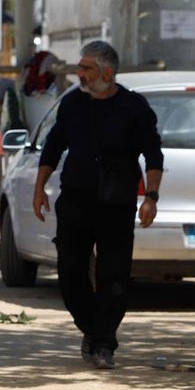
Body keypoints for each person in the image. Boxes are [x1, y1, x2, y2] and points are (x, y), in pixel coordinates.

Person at [32, 40, 163, 370]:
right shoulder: (72, 104)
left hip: (117, 205)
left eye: (86, 68)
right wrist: (39, 188)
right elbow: (53, 147)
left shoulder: (134, 108)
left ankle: (104, 343)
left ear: (107, 72)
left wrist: (151, 197)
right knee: (70, 274)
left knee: (114, 278)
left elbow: (153, 154)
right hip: (75, 202)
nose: (80, 74)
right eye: (80, 68)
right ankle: (93, 328)